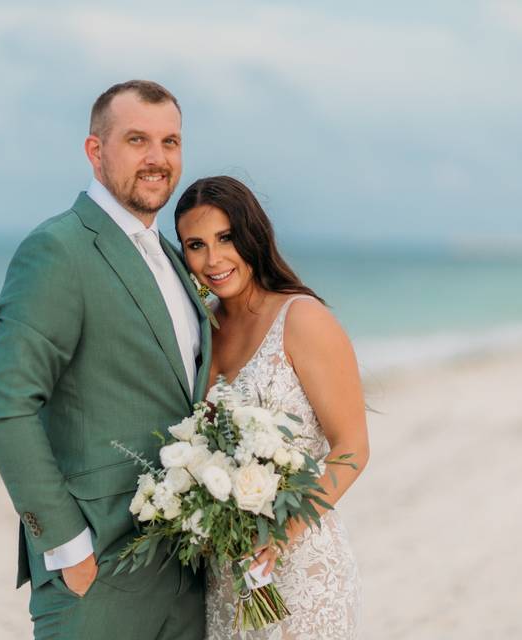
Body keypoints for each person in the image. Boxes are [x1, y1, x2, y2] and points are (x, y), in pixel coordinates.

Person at [0, 80, 212, 640]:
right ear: (95, 150)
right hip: (100, 573)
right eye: (137, 140)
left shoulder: (176, 260)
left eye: (171, 142)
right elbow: (4, 409)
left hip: (186, 570)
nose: (157, 159)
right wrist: (67, 547)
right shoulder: (59, 249)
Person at [174, 176, 369, 639]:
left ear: (252, 236)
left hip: (300, 563)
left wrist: (285, 534)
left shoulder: (302, 318)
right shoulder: (204, 332)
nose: (213, 259)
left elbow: (352, 448)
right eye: (196, 245)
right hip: (228, 574)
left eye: (225, 238)